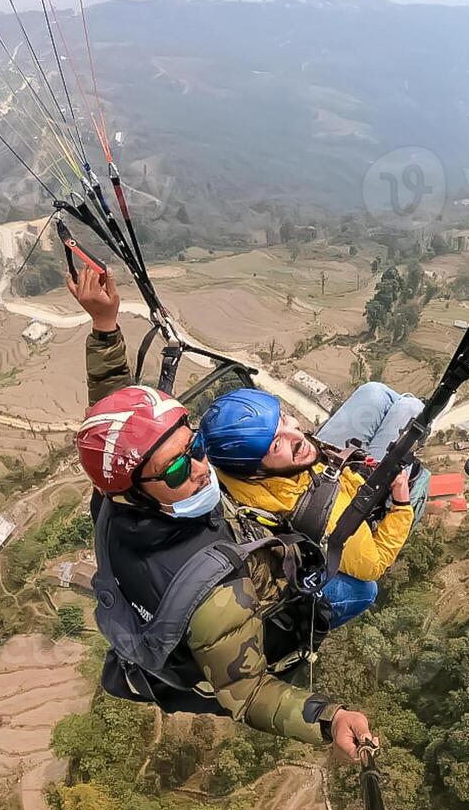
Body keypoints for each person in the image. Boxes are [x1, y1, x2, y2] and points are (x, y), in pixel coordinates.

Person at [69, 268, 374, 762]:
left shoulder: (114, 496)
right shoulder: (214, 599)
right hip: (245, 614)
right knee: (363, 587)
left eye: (193, 448)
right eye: (174, 469)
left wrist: (105, 326)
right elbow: (249, 694)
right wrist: (329, 717)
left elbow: (113, 421)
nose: (198, 468)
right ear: (137, 486)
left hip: (217, 576)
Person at [199, 386, 431, 626]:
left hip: (324, 472)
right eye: (277, 444)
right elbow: (374, 565)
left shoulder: (229, 467)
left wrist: (288, 448)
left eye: (283, 419)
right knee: (413, 413)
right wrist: (402, 502)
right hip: (339, 501)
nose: (298, 435)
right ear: (256, 472)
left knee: (376, 393)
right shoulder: (324, 517)